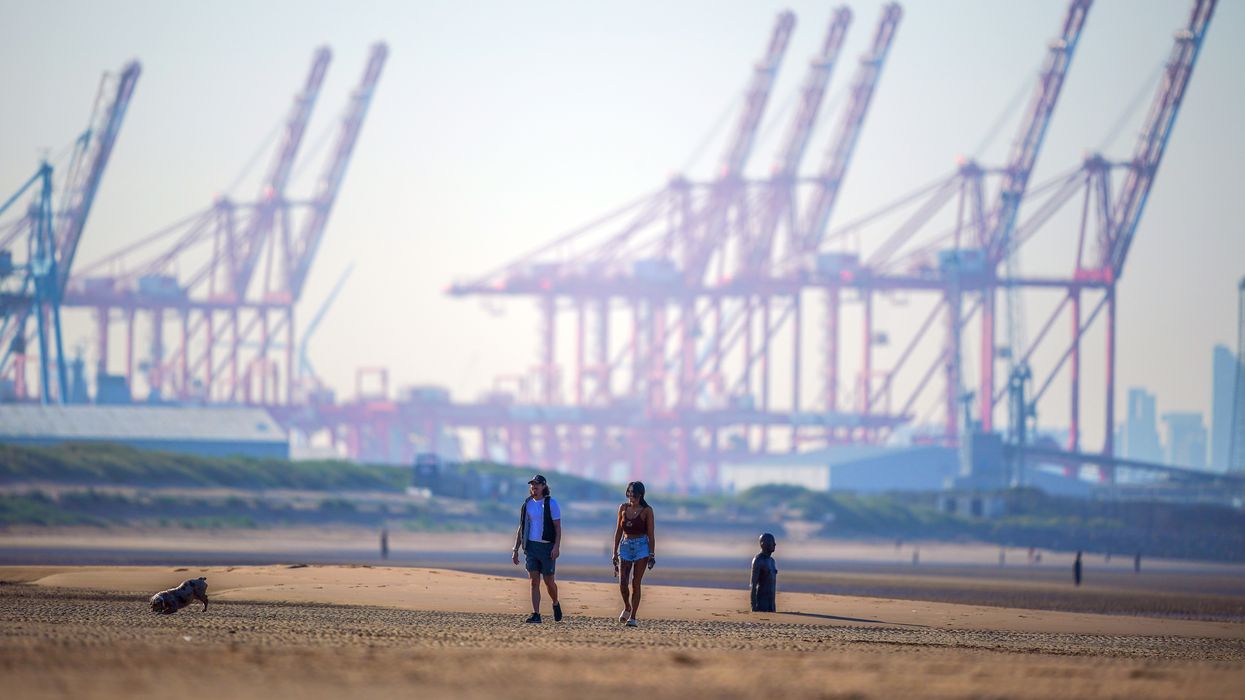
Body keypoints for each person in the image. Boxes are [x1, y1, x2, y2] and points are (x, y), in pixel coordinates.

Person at [511, 474, 562, 623]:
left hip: (547, 547)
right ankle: (536, 614)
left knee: (549, 582)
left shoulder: (551, 503)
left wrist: (556, 547)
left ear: (544, 486)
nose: (534, 487)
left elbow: (558, 528)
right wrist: (515, 549)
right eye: (532, 484)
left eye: (537, 484)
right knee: (534, 582)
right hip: (531, 547)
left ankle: (555, 603)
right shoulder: (527, 504)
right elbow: (522, 527)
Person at [612, 481, 655, 628]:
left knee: (636, 582)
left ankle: (633, 617)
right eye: (629, 493)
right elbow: (618, 531)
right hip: (625, 545)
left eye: (634, 494)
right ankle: (627, 607)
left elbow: (651, 534)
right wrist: (614, 552)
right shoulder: (623, 508)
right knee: (622, 582)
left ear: (641, 495)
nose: (631, 496)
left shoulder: (647, 511)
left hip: (641, 546)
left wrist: (651, 554)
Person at [751, 533, 778, 613]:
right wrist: (753, 606)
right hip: (761, 606)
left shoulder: (772, 561)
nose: (775, 544)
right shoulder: (758, 560)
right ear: (763, 544)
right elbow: (753, 585)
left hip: (771, 606)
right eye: (772, 542)